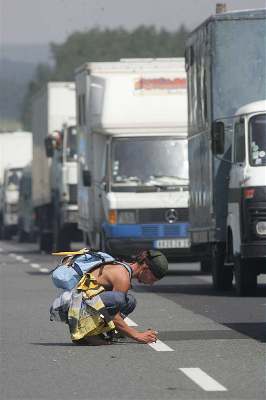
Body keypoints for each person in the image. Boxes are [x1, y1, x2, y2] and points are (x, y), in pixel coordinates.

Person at [78, 249, 168, 345]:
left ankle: (102, 331)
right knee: (119, 299)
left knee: (130, 302)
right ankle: (89, 333)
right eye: (152, 279)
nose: (151, 283)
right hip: (74, 305)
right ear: (146, 268)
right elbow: (113, 315)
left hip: (78, 302)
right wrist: (137, 335)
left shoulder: (122, 266)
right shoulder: (123, 278)